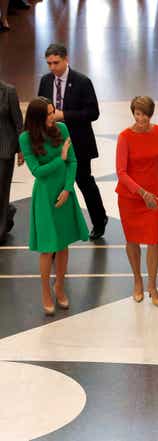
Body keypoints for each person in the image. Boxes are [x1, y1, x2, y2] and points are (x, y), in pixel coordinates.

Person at [19, 97, 89, 315]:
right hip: (45, 196)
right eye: (48, 114)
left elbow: (73, 161)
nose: (53, 116)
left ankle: (59, 286)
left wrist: (68, 189)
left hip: (64, 193)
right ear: (37, 118)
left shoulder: (62, 128)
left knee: (63, 243)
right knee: (47, 248)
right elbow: (37, 172)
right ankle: (45, 293)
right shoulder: (25, 138)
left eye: (53, 111)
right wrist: (60, 158)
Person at [37, 43, 108, 241]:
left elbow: (93, 113)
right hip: (53, 144)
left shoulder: (82, 82)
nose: (52, 67)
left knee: (84, 181)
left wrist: (64, 115)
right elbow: (39, 107)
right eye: (49, 63)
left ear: (66, 59)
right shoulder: (45, 81)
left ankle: (99, 220)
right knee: (54, 184)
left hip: (79, 142)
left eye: (56, 62)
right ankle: (55, 227)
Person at [115, 96, 158, 309]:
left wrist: (150, 191)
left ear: (150, 114)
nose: (141, 118)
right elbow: (121, 172)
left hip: (153, 196)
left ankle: (153, 287)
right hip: (130, 197)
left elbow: (155, 163)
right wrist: (141, 192)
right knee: (132, 240)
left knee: (154, 241)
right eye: (137, 113)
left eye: (144, 114)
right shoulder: (125, 137)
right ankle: (137, 279)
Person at [0, 80, 23, 243]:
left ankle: (0, 231)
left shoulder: (9, 91)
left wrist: (22, 149)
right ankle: (8, 211)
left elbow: (18, 122)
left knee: (1, 191)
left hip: (5, 149)